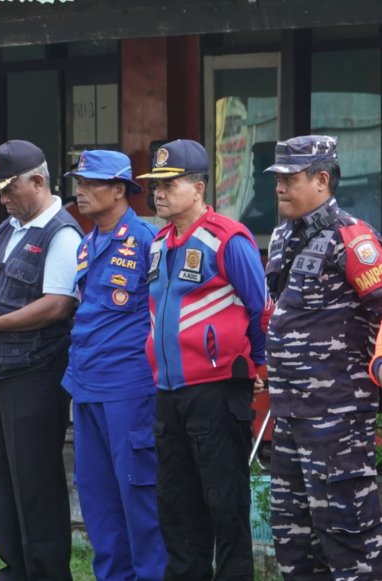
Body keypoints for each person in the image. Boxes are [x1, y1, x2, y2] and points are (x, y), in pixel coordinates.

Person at [135, 139, 267, 580]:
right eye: (155, 184)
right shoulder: (156, 244)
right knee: (176, 509)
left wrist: (258, 368)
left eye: (169, 184)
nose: (159, 193)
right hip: (168, 396)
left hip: (217, 392)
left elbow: (259, 308)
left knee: (225, 506)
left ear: (199, 187)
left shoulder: (227, 239)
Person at [264, 135, 382, 580]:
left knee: (348, 537)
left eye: (291, 179)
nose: (280, 188)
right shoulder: (281, 237)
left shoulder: (352, 238)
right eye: (277, 179)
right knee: (294, 542)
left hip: (338, 420)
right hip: (290, 415)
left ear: (322, 180)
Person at [0, 140, 81, 581]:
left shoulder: (61, 233)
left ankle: (45, 573)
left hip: (34, 375)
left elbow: (58, 305)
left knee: (35, 483)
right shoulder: (6, 229)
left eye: (8, 189)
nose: (2, 199)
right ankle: (14, 571)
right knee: (0, 481)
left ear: (37, 181)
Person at [61, 149, 165, 581]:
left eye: (90, 184)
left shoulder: (146, 239)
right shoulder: (89, 242)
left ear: (119, 190)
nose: (80, 192)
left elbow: (163, 312)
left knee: (139, 498)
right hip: (86, 386)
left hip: (129, 388)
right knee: (98, 502)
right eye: (79, 183)